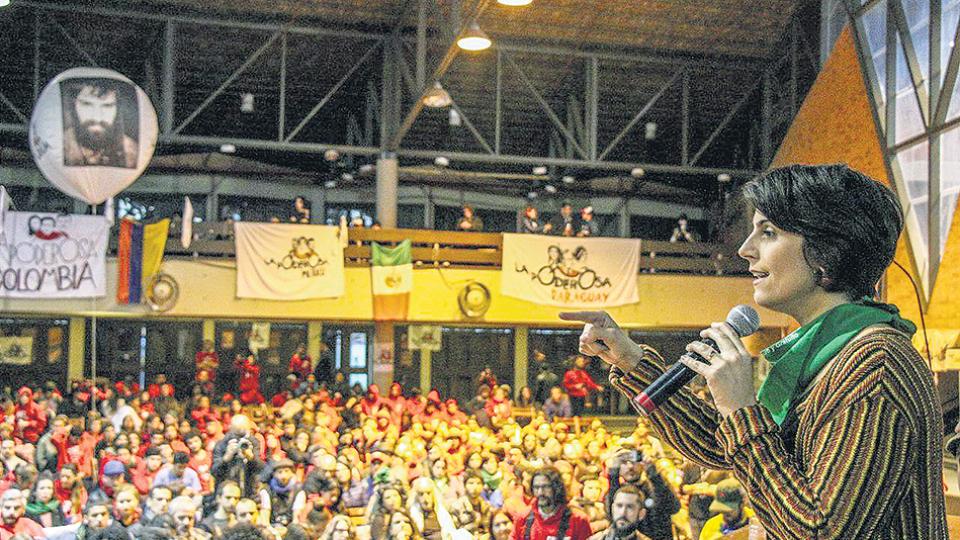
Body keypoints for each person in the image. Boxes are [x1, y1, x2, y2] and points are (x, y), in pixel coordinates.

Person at [562, 164, 948, 538]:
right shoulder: (823, 354)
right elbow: (724, 445)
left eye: (768, 232)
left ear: (827, 253)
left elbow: (819, 530)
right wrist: (629, 360)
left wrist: (741, 411)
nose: (746, 249)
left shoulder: (874, 363)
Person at [62, 80, 138, 168]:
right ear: (73, 106)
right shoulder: (57, 147)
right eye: (86, 104)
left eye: (107, 106)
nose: (97, 117)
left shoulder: (132, 151)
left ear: (117, 109)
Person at [510, 466, 591, 540]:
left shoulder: (578, 520)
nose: (540, 492)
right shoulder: (522, 518)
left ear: (557, 488)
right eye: (536, 487)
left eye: (546, 487)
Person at [212, 415, 265, 498]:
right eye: (236, 434)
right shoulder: (221, 444)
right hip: (228, 491)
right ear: (231, 429)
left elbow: (260, 469)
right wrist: (226, 458)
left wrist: (251, 458)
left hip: (248, 490)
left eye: (243, 434)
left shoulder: (253, 442)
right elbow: (214, 471)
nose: (240, 439)